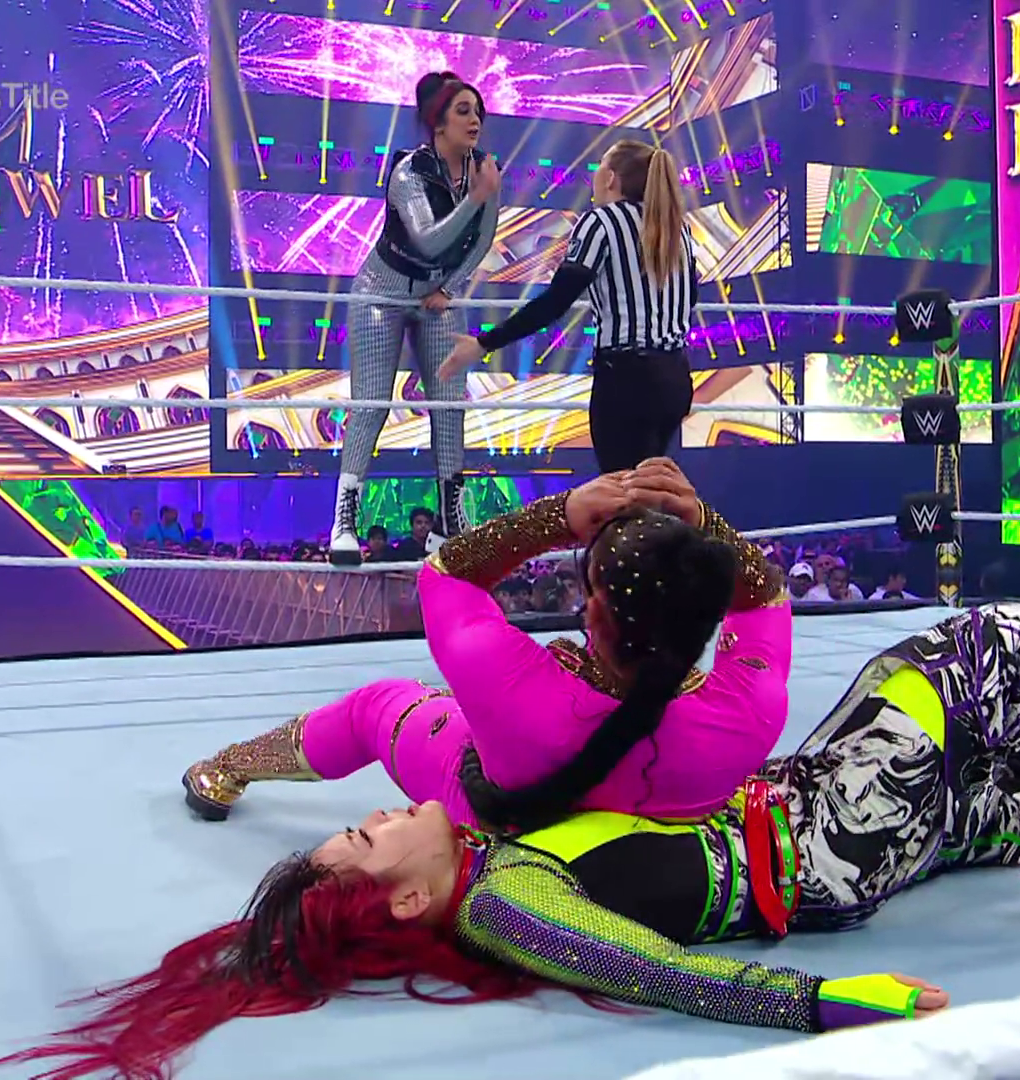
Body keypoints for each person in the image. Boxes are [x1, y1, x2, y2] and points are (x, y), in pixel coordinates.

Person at [0, 604, 1020, 1079]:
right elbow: (656, 971)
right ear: (403, 903)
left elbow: (353, 722)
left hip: (800, 801)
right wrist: (825, 1005)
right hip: (820, 837)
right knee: (1007, 642)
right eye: (363, 836)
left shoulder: (456, 790)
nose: (379, 816)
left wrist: (230, 767)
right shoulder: (503, 893)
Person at [185, 459, 790, 833]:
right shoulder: (753, 709)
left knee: (380, 706)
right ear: (711, 611)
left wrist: (558, 516)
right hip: (673, 819)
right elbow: (766, 597)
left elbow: (445, 572)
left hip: (503, 824)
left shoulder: (505, 681)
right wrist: (705, 522)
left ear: (592, 608)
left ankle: (228, 768)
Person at [439, 140, 698, 473]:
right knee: (649, 481)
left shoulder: (601, 222)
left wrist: (484, 342)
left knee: (621, 487)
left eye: (600, 166)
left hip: (627, 378)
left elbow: (555, 302)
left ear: (611, 178)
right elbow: (688, 299)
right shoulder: (678, 228)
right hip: (674, 377)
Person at [331, 71, 502, 564]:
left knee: (449, 405)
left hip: (435, 299)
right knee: (372, 404)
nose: (475, 120)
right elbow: (428, 240)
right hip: (380, 294)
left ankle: (451, 523)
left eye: (478, 111)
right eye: (463, 111)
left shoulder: (484, 170)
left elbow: (482, 240)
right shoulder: (408, 172)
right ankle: (344, 521)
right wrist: (476, 197)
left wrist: (450, 287)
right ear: (437, 122)